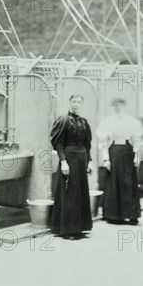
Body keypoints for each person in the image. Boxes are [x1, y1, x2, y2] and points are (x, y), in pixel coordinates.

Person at [50, 94, 93, 239]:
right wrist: (63, 161)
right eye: (73, 101)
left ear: (82, 104)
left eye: (79, 102)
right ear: (69, 103)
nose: (76, 104)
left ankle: (79, 228)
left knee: (80, 193)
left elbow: (87, 144)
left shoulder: (84, 122)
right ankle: (68, 229)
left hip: (82, 160)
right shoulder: (63, 120)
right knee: (69, 194)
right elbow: (58, 143)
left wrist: (90, 161)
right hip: (69, 159)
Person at [97, 98, 143, 225]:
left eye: (121, 105)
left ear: (124, 106)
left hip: (128, 152)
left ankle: (131, 215)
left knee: (129, 183)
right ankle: (114, 215)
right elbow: (103, 143)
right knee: (113, 183)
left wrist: (137, 156)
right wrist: (106, 159)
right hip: (114, 152)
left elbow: (137, 141)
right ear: (113, 107)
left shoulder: (132, 122)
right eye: (116, 105)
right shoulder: (108, 122)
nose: (118, 107)